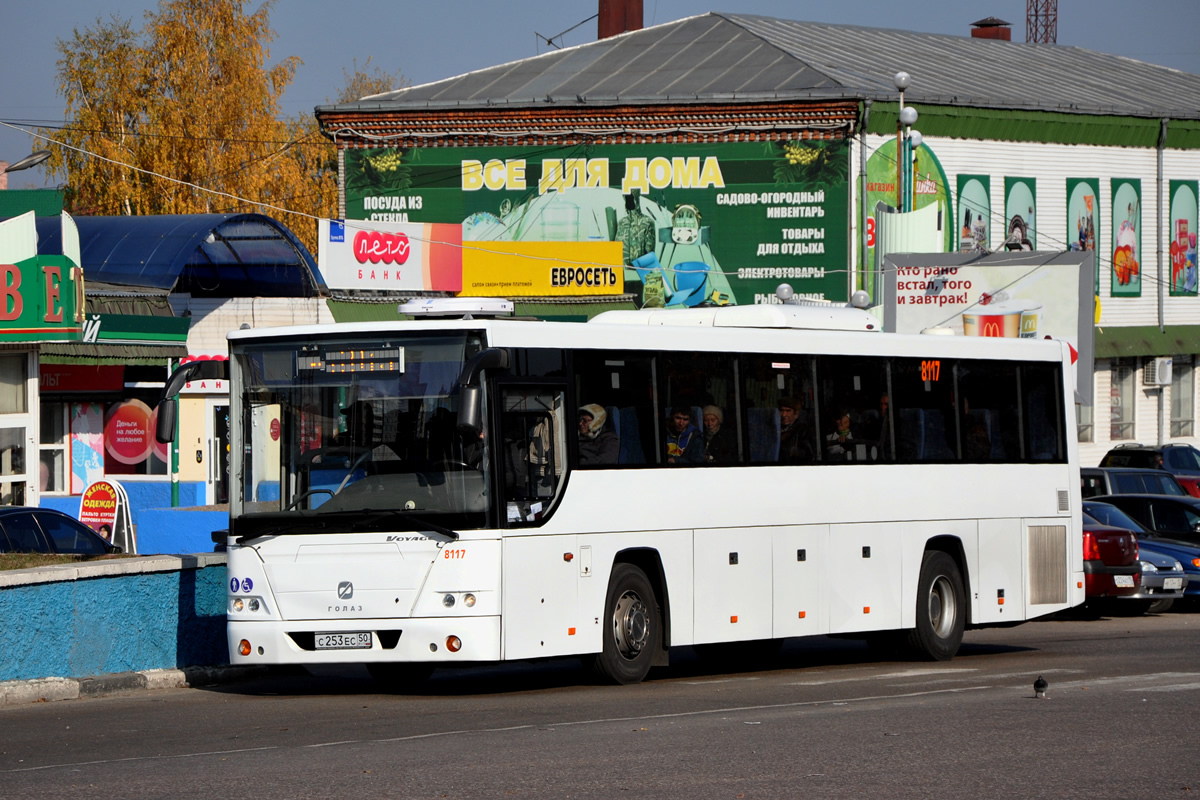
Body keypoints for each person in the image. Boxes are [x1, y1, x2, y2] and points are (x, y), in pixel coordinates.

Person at [778, 396, 812, 464]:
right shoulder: (773, 429)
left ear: (796, 414)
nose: (784, 415)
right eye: (782, 411)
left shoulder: (803, 430)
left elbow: (807, 452)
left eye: (788, 411)